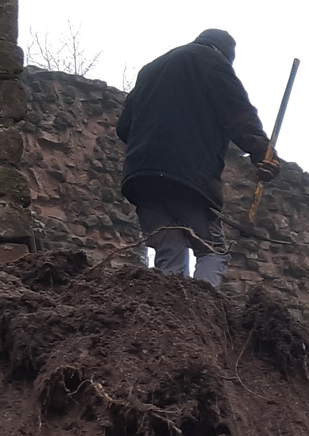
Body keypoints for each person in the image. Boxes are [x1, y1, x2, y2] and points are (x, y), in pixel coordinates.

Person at [116, 29, 281, 285]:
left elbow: (124, 127)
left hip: (143, 176)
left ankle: (170, 306)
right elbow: (238, 113)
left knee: (169, 250)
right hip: (187, 176)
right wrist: (263, 154)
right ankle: (202, 305)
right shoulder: (211, 62)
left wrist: (152, 146)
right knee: (213, 251)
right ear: (226, 54)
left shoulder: (150, 70)